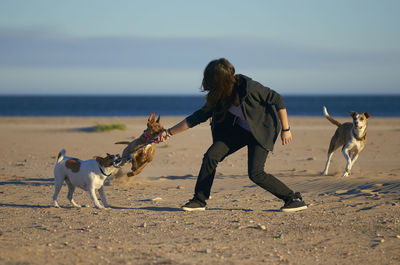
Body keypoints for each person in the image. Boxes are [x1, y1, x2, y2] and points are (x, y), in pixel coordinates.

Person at [157, 58, 307, 212]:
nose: (207, 84)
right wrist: (168, 132)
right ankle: (199, 200)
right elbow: (196, 118)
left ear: (220, 81)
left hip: (262, 130)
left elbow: (277, 100)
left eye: (210, 80)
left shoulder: (250, 88)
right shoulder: (219, 95)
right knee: (211, 156)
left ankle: (293, 198)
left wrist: (286, 129)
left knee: (256, 173)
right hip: (240, 129)